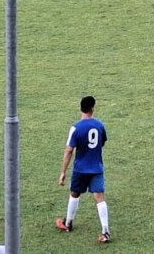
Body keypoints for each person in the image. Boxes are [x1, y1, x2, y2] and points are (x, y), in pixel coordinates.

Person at [56, 96, 111, 244]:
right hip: (96, 167)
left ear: (80, 108)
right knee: (99, 196)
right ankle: (105, 231)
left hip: (80, 168)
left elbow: (69, 151)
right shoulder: (99, 125)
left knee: (75, 193)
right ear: (92, 108)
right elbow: (102, 142)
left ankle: (68, 223)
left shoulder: (76, 127)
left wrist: (63, 172)